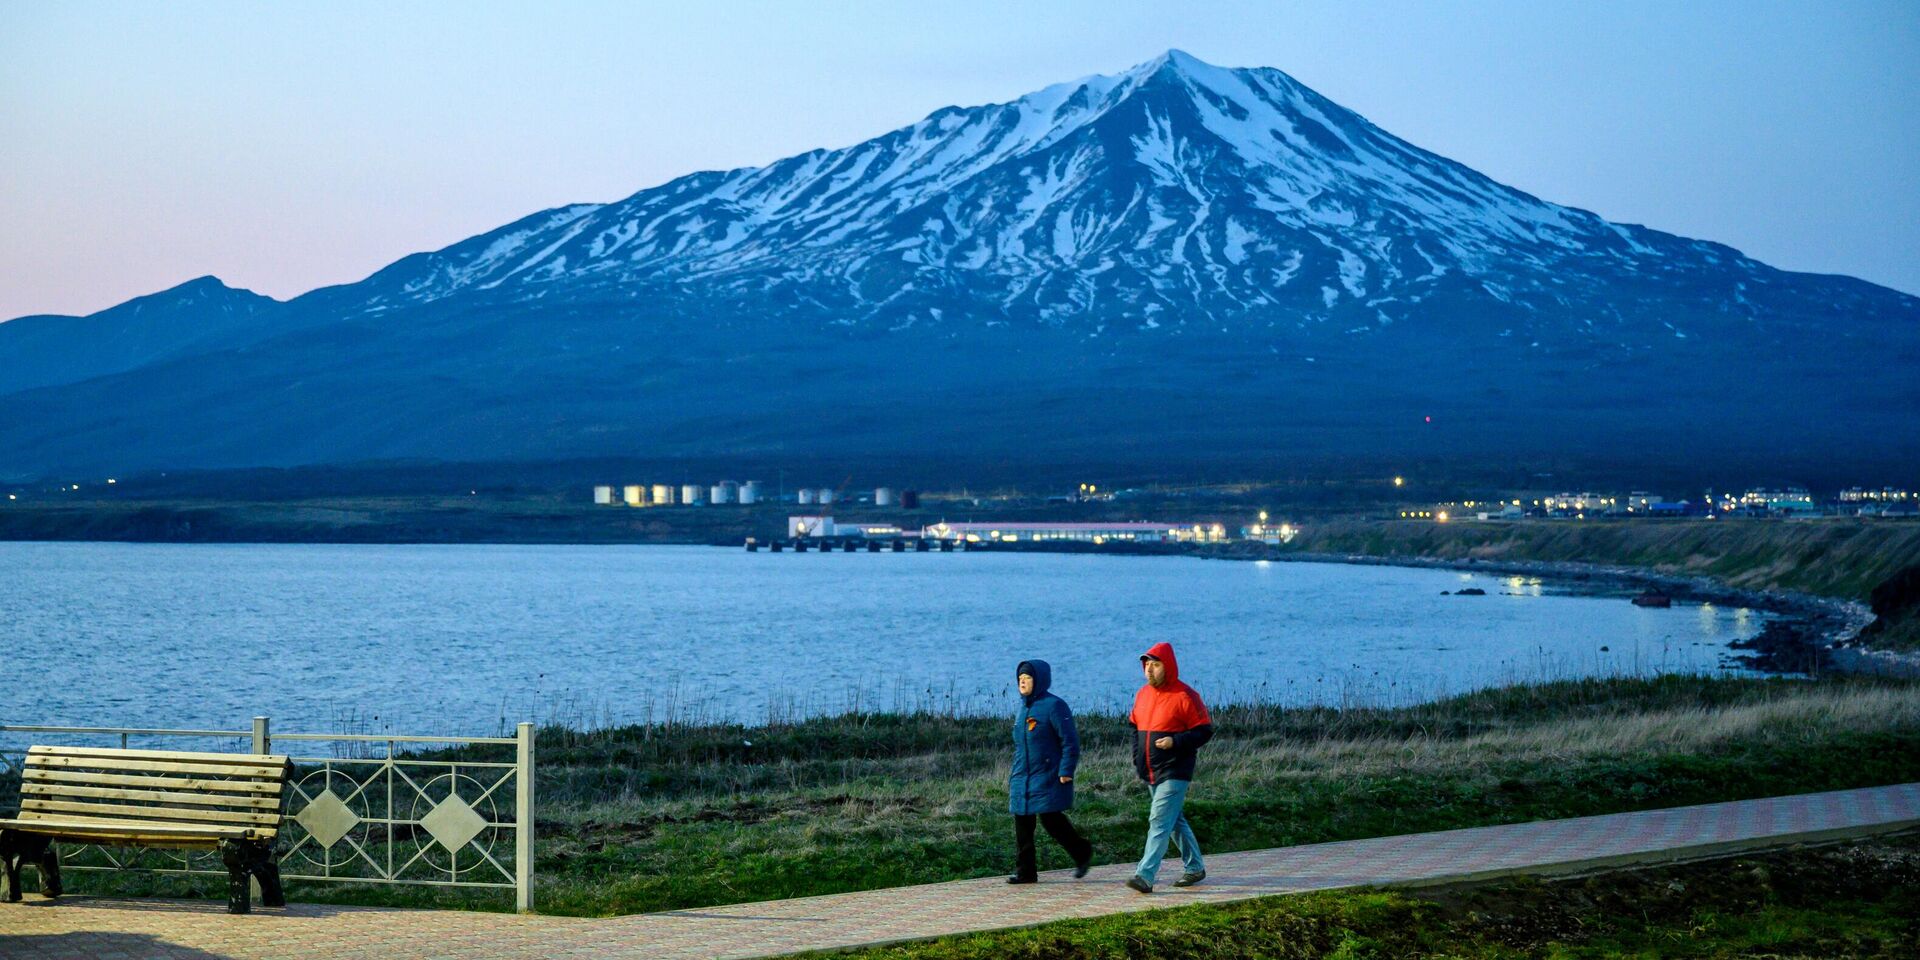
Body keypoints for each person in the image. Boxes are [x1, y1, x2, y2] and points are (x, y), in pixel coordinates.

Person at [1125, 641, 1212, 893]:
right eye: (1146, 665)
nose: (1149, 670)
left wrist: (1176, 741)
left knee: (1159, 820)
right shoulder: (1142, 695)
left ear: (1169, 666)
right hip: (1151, 770)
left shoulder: (1185, 696)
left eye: (1155, 664)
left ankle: (1145, 875)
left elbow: (1204, 731)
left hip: (1176, 769)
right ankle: (1195, 867)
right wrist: (1136, 756)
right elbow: (1133, 727)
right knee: (1173, 821)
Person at [1007, 659, 1094, 884]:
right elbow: (1021, 745)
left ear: (1040, 680)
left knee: (1051, 820)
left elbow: (1070, 742)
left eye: (1027, 678)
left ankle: (1081, 852)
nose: (1023, 682)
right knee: (1023, 823)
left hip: (1048, 775)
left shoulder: (1055, 706)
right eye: (1020, 679)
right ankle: (1026, 873)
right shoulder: (1022, 707)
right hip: (1023, 776)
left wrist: (1066, 770)